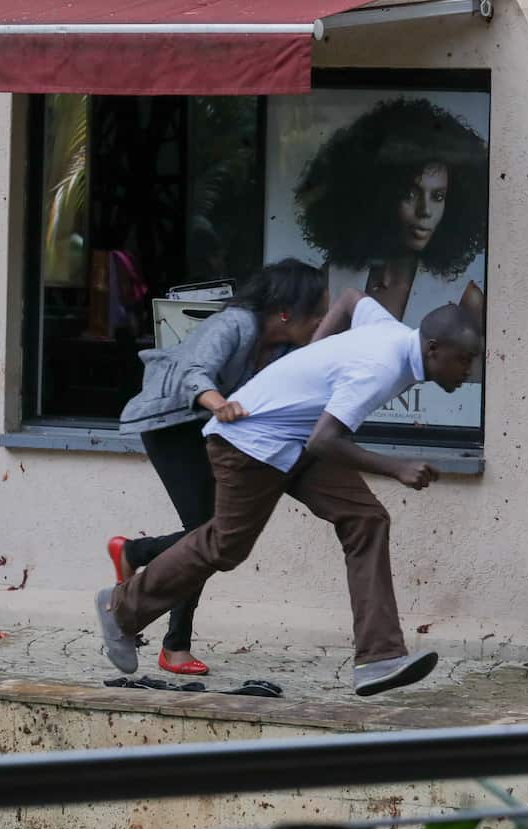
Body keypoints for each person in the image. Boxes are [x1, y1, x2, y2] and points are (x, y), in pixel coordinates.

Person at [95, 291, 482, 697]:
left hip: (298, 440)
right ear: (434, 349)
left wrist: (310, 360)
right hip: (251, 442)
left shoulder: (392, 331)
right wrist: (397, 467)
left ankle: (379, 658)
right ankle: (119, 610)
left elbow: (351, 300)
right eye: (464, 359)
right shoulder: (381, 366)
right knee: (226, 545)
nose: (469, 370)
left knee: (366, 518)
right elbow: (324, 442)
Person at [108, 259, 331, 675]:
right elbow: (195, 372)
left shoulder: (283, 348)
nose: (322, 322)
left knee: (209, 536)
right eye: (317, 312)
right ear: (286, 312)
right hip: (171, 421)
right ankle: (170, 638)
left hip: (209, 428)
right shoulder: (236, 324)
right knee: (205, 535)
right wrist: (220, 404)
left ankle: (136, 556)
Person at [294, 97, 488, 329]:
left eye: (438, 197)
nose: (425, 211)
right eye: (410, 194)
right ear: (381, 196)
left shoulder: (463, 300)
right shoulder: (333, 278)